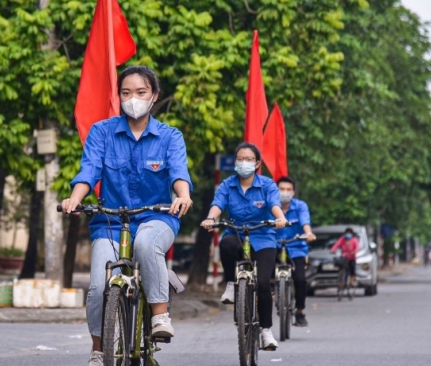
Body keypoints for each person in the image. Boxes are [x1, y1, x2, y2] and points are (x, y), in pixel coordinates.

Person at [60, 66, 193, 366]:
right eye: (126, 92)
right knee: (98, 285)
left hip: (157, 218)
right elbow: (88, 171)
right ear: (118, 96)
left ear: (154, 96)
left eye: (141, 92)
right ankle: (98, 350)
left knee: (147, 244)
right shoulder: (102, 132)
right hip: (109, 221)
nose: (133, 98)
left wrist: (183, 196)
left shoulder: (170, 136)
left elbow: (178, 173)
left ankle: (160, 316)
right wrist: (75, 199)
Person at [201, 142, 288, 351]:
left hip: (264, 237)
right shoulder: (227, 185)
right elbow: (217, 205)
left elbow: (275, 204)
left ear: (257, 163)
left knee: (264, 285)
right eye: (240, 158)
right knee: (226, 243)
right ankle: (231, 284)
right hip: (236, 234)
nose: (244, 162)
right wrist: (210, 218)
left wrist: (280, 218)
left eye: (249, 159)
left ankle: (266, 330)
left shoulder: (267, 185)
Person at [274, 176, 316, 327]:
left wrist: (309, 233)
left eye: (288, 190)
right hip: (274, 246)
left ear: (293, 192)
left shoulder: (300, 206)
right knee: (263, 276)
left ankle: (299, 312)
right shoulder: (270, 206)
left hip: (296, 248)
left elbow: (305, 222)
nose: (285, 192)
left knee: (300, 280)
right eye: (281, 189)